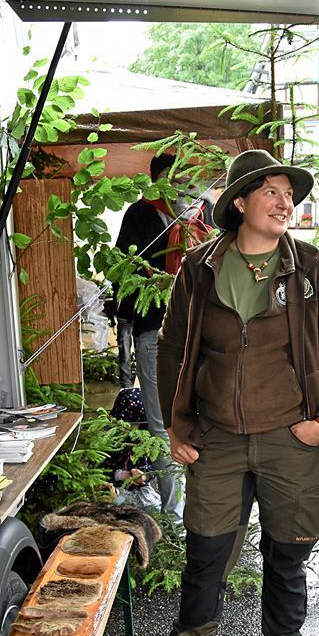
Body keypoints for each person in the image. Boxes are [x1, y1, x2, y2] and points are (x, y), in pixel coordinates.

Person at [125, 149, 319, 636]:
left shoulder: (312, 270)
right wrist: (177, 427)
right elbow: (172, 351)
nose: (285, 203)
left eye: (289, 194)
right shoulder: (200, 269)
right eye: (272, 192)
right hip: (219, 442)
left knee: (287, 560)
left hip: (293, 443)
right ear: (240, 200)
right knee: (206, 556)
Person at [113, 153, 183, 517]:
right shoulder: (140, 215)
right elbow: (123, 271)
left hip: (194, 336)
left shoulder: (199, 219)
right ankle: (174, 514)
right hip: (155, 332)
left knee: (185, 423)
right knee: (161, 424)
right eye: (173, 176)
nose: (181, 183)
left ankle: (189, 513)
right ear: (156, 179)